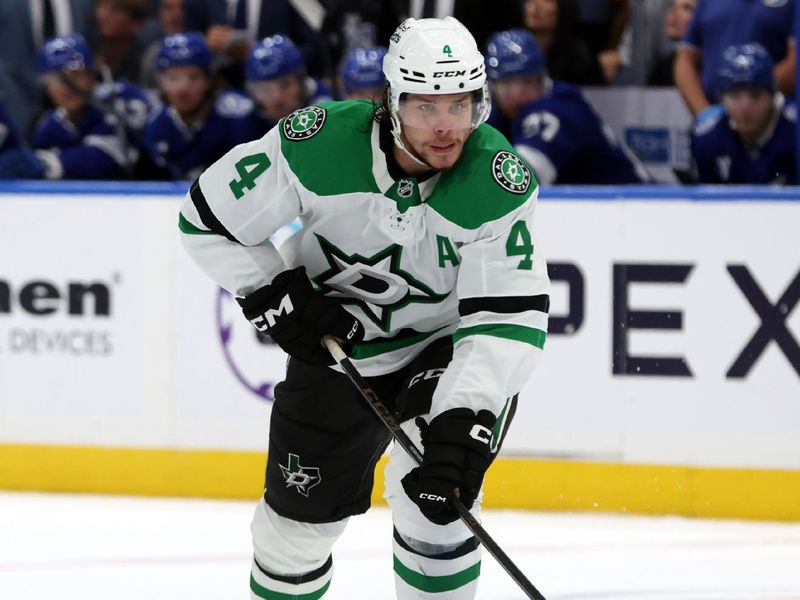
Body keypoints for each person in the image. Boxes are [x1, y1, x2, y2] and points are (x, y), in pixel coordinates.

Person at [179, 16, 550, 600]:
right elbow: (206, 222)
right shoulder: (317, 144)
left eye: (461, 105)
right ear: (392, 101)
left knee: (435, 509)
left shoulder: (496, 181)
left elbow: (507, 317)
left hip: (442, 348)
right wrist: (272, 291)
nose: (446, 126)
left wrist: (465, 416)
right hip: (340, 350)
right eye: (427, 106)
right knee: (290, 539)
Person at [485, 28, 651, 185]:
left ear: (542, 80)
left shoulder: (561, 107)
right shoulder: (495, 112)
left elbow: (521, 179)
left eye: (527, 83)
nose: (518, 97)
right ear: (492, 88)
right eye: (506, 86)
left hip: (637, 206)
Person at [0, 33, 153, 180]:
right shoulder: (50, 126)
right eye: (56, 80)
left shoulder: (120, 98)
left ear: (93, 74)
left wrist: (48, 164)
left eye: (76, 76)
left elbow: (109, 157)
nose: (67, 88)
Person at [143, 31, 255, 180]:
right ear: (161, 82)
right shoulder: (156, 125)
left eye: (193, 77)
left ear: (209, 80)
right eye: (173, 78)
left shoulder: (239, 117)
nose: (182, 88)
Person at [690, 43, 796, 184]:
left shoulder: (794, 131)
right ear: (721, 98)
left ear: (772, 95)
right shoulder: (707, 139)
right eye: (734, 95)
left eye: (755, 95)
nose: (745, 106)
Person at [674, 0, 796, 120]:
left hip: (775, 119)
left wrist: (749, 98)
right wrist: (705, 113)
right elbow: (685, 61)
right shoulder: (706, 2)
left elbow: (795, 62)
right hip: (715, 115)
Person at [244, 34, 332, 137]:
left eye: (285, 85)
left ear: (301, 82)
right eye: (266, 89)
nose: (278, 98)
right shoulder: (242, 116)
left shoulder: (327, 106)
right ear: (253, 91)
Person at [523, 0, 605, 85]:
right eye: (530, 0)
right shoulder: (515, 49)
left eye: (547, 0)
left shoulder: (580, 56)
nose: (536, 5)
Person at [647, 0, 696, 86]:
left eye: (686, 8)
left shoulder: (706, 66)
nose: (674, 13)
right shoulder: (662, 67)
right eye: (672, 6)